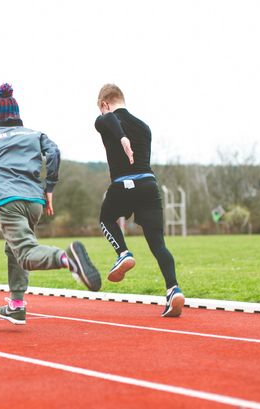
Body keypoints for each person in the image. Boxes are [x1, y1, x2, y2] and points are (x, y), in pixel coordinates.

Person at [0, 83, 101, 325]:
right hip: (34, 203)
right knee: (14, 249)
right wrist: (49, 187)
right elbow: (54, 153)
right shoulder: (34, 134)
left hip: (9, 202)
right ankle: (16, 305)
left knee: (26, 253)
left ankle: (68, 259)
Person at [94, 83, 185, 317]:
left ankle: (123, 253)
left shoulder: (105, 119)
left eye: (102, 109)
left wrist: (122, 137)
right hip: (149, 185)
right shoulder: (144, 127)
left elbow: (109, 121)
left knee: (106, 219)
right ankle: (173, 289)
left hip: (124, 184)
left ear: (105, 105)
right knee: (158, 244)